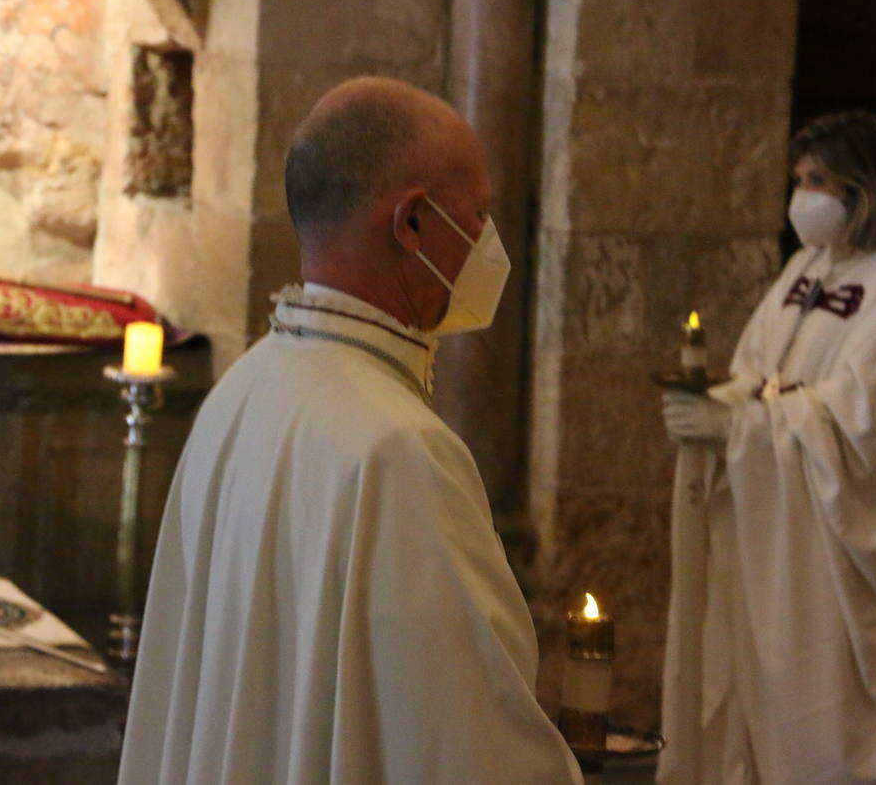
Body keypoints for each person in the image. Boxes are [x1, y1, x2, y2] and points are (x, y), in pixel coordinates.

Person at [119, 77, 582, 783]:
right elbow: (463, 737)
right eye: (479, 216)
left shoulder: (241, 391)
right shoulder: (399, 452)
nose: (489, 245)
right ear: (413, 223)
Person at [659, 111, 876, 783]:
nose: (803, 196)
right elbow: (756, 366)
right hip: (775, 523)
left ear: (861, 187)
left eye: (817, 180)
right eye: (799, 180)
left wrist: (742, 430)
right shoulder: (806, 269)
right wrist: (714, 407)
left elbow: (874, 418)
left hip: (833, 540)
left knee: (820, 719)